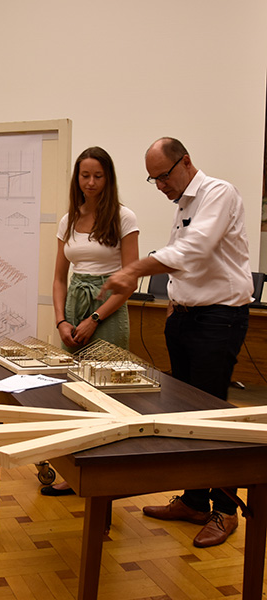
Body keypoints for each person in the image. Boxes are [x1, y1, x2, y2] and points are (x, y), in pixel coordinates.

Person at [100, 137, 253, 547]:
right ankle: (194, 500)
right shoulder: (184, 204)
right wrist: (174, 304)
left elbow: (194, 250)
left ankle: (225, 511)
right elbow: (184, 261)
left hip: (218, 320)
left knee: (210, 416)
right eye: (153, 180)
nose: (160, 186)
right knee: (185, 415)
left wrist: (134, 268)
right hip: (186, 318)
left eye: (163, 176)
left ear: (185, 162)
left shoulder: (217, 193)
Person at [44, 146, 139, 496]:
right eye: (85, 175)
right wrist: (61, 321)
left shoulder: (124, 218)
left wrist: (94, 318)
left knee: (108, 391)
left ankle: (109, 472)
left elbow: (129, 280)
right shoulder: (68, 220)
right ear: (77, 178)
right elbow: (58, 277)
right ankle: (77, 468)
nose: (91, 182)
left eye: (98, 175)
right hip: (72, 305)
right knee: (73, 392)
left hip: (107, 307)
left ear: (108, 178)